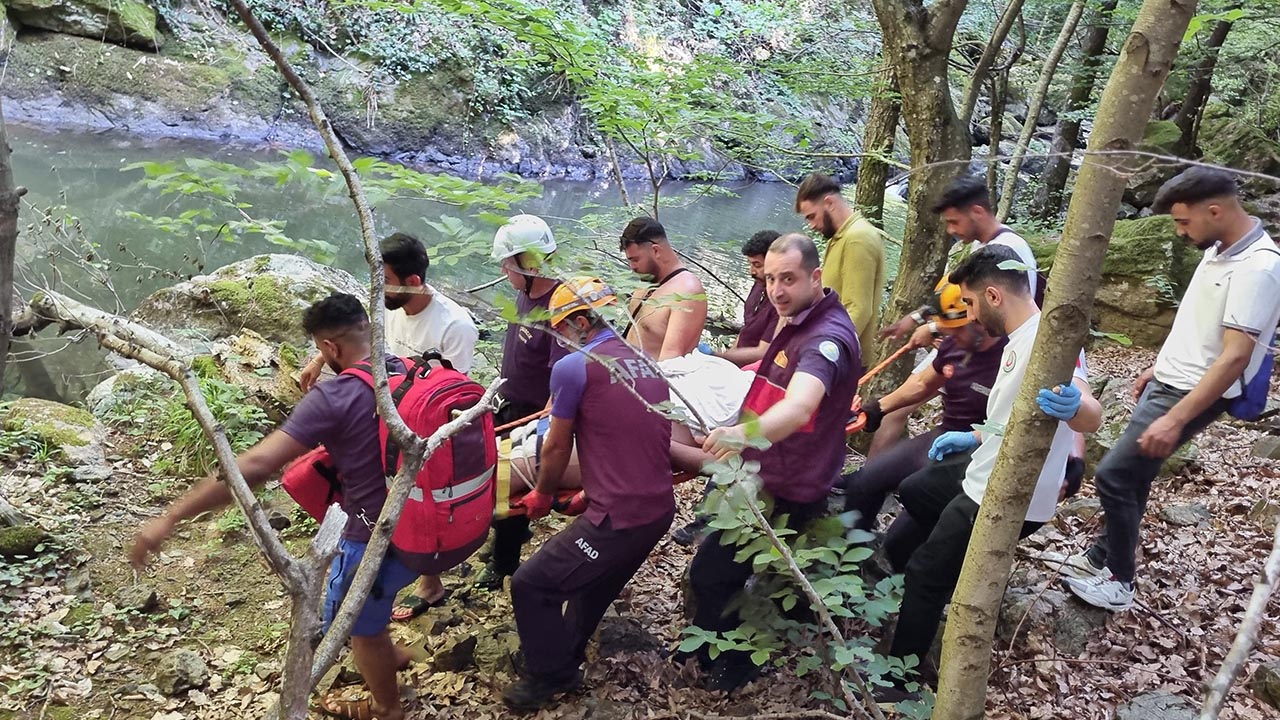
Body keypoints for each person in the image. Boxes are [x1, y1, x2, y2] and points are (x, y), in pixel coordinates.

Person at [130, 294, 481, 720]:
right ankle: (391, 653)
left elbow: (256, 465)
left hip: (376, 540)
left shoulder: (335, 398)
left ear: (330, 347)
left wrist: (170, 517)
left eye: (319, 349)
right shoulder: (414, 368)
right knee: (371, 608)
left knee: (354, 623)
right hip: (437, 525)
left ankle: (387, 705)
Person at [877, 245, 1101, 699]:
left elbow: (1089, 411)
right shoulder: (1019, 339)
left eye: (972, 304)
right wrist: (978, 436)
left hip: (1002, 492)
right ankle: (948, 561)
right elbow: (1016, 414)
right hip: (985, 464)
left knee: (924, 572)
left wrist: (1079, 410)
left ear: (994, 296)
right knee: (916, 489)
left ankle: (897, 681)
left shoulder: (1049, 343)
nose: (971, 316)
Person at [1060, 167, 1280, 612]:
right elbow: (1197, 324)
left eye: (1184, 222)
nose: (1180, 233)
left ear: (1215, 211)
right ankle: (1102, 556)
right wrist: (1155, 367)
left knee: (1114, 475)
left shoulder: (1259, 268)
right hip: (1169, 379)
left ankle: (1120, 581)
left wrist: (1175, 418)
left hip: (1191, 392)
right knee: (1133, 474)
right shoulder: (1218, 247)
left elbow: (1235, 357)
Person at [688, 233, 861, 692]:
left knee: (716, 574)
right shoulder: (799, 318)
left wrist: (740, 435)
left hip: (787, 481)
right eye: (769, 278)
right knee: (733, 573)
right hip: (766, 469)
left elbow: (802, 404)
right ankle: (712, 652)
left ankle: (733, 663)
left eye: (788, 278)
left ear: (815, 277)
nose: (777, 290)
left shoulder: (827, 338)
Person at [502, 277, 676, 711]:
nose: (559, 340)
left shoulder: (574, 368)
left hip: (619, 518)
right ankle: (566, 654)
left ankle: (550, 676)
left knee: (530, 584)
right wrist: (590, 493)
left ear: (580, 322)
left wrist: (542, 496)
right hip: (656, 510)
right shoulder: (644, 361)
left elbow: (556, 446)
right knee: (592, 586)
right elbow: (632, 438)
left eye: (561, 330)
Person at [872, 175, 1040, 459]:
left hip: (984, 353)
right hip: (964, 342)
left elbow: (993, 319)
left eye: (954, 222)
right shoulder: (981, 246)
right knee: (896, 408)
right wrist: (917, 320)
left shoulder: (1009, 251)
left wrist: (937, 328)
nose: (951, 230)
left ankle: (880, 476)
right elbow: (952, 297)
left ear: (977, 212)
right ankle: (874, 476)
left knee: (900, 406)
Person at [842, 280, 1007, 536]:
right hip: (944, 435)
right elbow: (921, 383)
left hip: (979, 449)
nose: (953, 338)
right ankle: (848, 549)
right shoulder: (955, 343)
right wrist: (877, 408)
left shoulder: (1010, 354)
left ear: (978, 320)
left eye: (960, 331)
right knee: (867, 480)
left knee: (915, 495)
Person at [473, 214, 567, 592]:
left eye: (507, 263)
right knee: (494, 479)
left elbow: (562, 379)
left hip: (531, 416)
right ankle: (508, 535)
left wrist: (543, 425)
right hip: (508, 401)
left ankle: (503, 561)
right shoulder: (526, 293)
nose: (502, 270)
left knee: (505, 486)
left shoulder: (558, 307)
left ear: (530, 263)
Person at [300, 232, 479, 391]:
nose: (377, 288)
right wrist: (319, 360)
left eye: (385, 280)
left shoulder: (456, 326)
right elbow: (356, 333)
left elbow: (455, 390)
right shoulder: (389, 303)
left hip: (425, 403)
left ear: (413, 282)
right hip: (396, 386)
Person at [794, 173, 886, 336]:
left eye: (812, 216)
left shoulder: (857, 238)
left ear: (829, 203)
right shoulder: (839, 237)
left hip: (840, 355)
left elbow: (858, 310)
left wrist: (827, 350)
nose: (812, 225)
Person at [619, 217, 708, 360]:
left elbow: (671, 364)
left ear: (656, 251)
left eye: (635, 260)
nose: (632, 267)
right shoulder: (648, 278)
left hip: (647, 380)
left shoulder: (687, 292)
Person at [713, 229, 781, 367]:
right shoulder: (759, 284)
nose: (752, 272)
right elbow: (747, 329)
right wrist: (726, 359)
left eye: (757, 265)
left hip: (754, 371)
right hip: (735, 362)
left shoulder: (781, 303)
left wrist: (717, 356)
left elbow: (763, 352)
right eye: (750, 264)